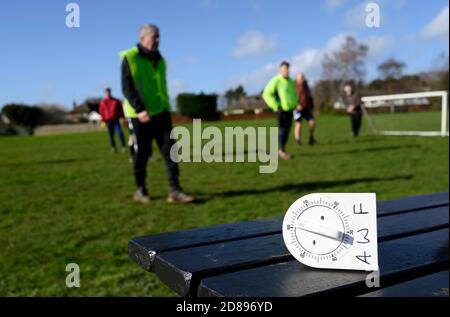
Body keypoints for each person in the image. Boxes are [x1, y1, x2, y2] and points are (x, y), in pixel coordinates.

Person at [120, 24, 195, 204]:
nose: (158, 40)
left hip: (161, 112)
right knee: (142, 154)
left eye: (159, 36)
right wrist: (140, 109)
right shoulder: (129, 58)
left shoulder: (161, 60)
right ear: (143, 39)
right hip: (139, 115)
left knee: (171, 151)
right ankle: (141, 189)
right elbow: (127, 87)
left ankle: (175, 190)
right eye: (155, 36)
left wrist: (166, 107)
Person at [262, 61, 298, 160]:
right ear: (280, 70)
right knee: (283, 130)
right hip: (280, 110)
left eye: (287, 69)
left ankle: (281, 150)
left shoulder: (290, 81)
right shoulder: (276, 81)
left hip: (290, 110)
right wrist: (276, 106)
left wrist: (295, 104)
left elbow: (293, 95)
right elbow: (266, 94)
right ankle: (282, 151)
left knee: (287, 130)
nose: (286, 71)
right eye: (284, 69)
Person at [99, 88, 126, 152]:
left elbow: (120, 110)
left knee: (120, 133)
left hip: (116, 120)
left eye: (109, 92)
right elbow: (101, 112)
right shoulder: (103, 102)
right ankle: (113, 147)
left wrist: (122, 117)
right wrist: (102, 121)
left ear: (110, 92)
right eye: (106, 93)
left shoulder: (116, 101)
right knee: (110, 135)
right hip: (108, 121)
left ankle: (123, 146)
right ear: (104, 93)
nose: (108, 94)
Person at [293, 73, 317, 146]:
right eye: (300, 78)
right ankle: (298, 141)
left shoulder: (306, 85)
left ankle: (311, 138)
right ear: (297, 79)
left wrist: (312, 106)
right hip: (297, 109)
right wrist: (296, 105)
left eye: (302, 78)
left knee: (312, 122)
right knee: (298, 124)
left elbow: (309, 96)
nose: (301, 79)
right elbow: (291, 97)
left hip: (306, 108)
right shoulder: (293, 86)